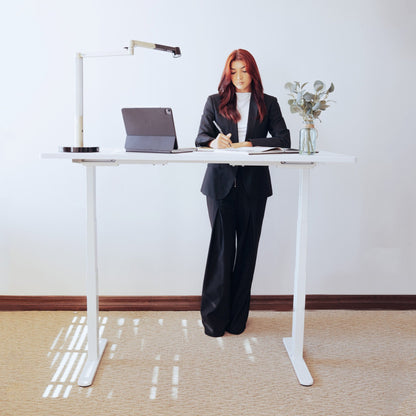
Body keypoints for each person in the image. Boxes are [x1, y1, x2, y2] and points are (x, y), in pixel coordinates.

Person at [195, 49, 291, 337]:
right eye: (233, 71)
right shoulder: (215, 102)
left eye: (244, 71)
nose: (239, 77)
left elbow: (283, 139)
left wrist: (247, 143)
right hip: (220, 186)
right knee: (222, 253)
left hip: (253, 187)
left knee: (247, 253)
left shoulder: (268, 103)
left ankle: (237, 319)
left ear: (253, 72)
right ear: (228, 74)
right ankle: (214, 320)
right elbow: (199, 137)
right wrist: (215, 143)